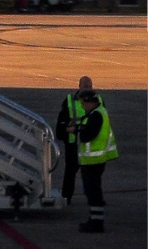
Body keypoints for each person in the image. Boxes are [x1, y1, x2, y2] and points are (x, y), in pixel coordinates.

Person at [74, 90, 117, 233]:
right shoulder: (99, 112)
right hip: (95, 160)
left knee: (93, 191)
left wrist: (78, 130)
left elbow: (88, 136)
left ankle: (97, 223)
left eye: (83, 103)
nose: (82, 106)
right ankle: (95, 219)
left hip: (93, 160)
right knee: (93, 190)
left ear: (89, 101)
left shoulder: (96, 115)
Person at [54, 75, 96, 204]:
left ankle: (93, 196)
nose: (87, 89)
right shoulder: (69, 101)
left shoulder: (97, 101)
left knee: (91, 172)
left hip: (90, 143)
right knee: (71, 171)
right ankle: (67, 196)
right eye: (85, 86)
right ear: (79, 87)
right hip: (73, 142)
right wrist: (63, 132)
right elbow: (61, 122)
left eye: (89, 86)